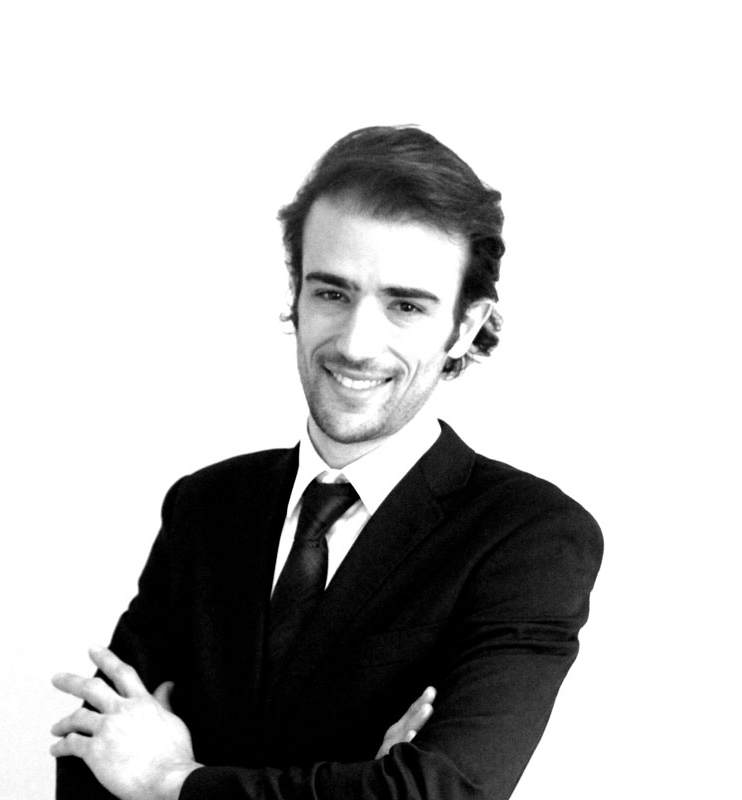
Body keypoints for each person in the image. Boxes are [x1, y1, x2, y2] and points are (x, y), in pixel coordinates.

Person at [51, 125, 603, 800]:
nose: (356, 343)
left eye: (406, 305)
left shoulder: (531, 537)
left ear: (465, 326)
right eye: (332, 293)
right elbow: (91, 764)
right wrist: (364, 781)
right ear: (297, 292)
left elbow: (442, 792)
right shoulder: (206, 507)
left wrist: (173, 780)